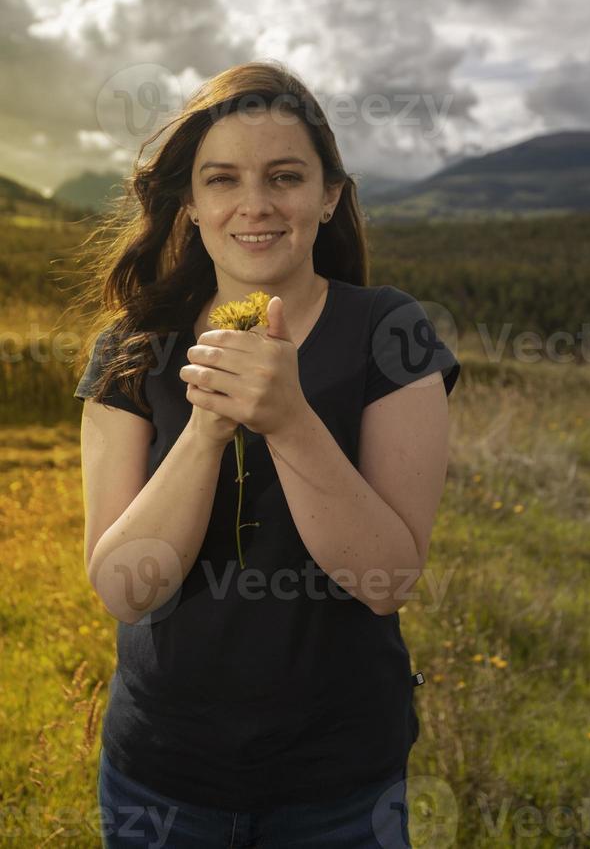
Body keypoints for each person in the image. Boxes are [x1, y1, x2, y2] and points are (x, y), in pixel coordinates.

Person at [73, 59, 461, 847]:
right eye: (223, 180)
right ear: (192, 201)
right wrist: (209, 427)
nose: (254, 205)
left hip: (340, 785)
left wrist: (288, 421)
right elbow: (125, 588)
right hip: (163, 779)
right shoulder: (132, 348)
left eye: (286, 177)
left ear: (329, 197)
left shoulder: (390, 332)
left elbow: (384, 579)